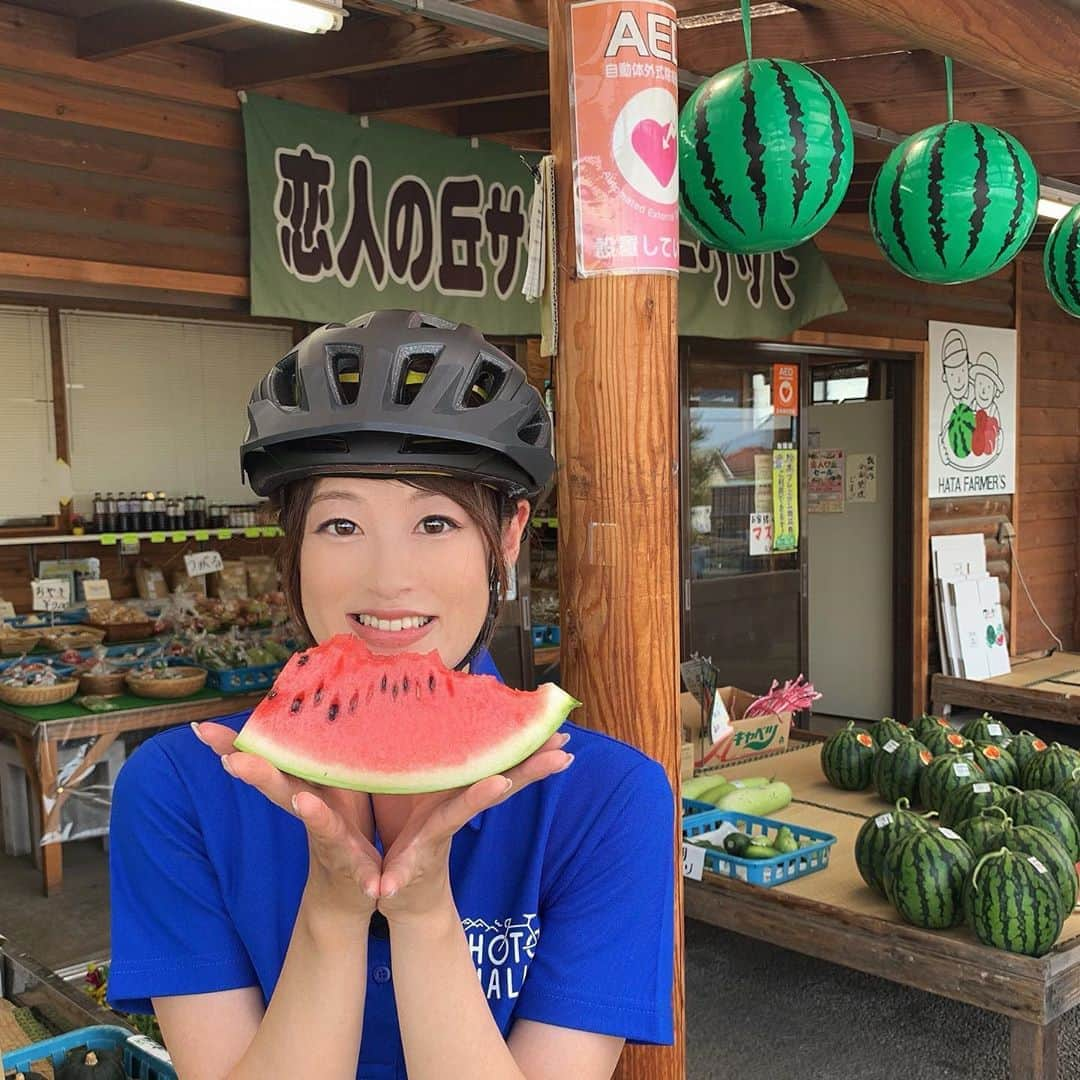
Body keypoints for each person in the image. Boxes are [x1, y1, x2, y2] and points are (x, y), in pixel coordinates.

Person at [108, 310, 675, 1079]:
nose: (387, 579)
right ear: (293, 544)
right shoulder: (178, 788)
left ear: (507, 537)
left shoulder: (608, 800)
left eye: (435, 521)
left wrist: (422, 912)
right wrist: (335, 911)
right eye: (340, 525)